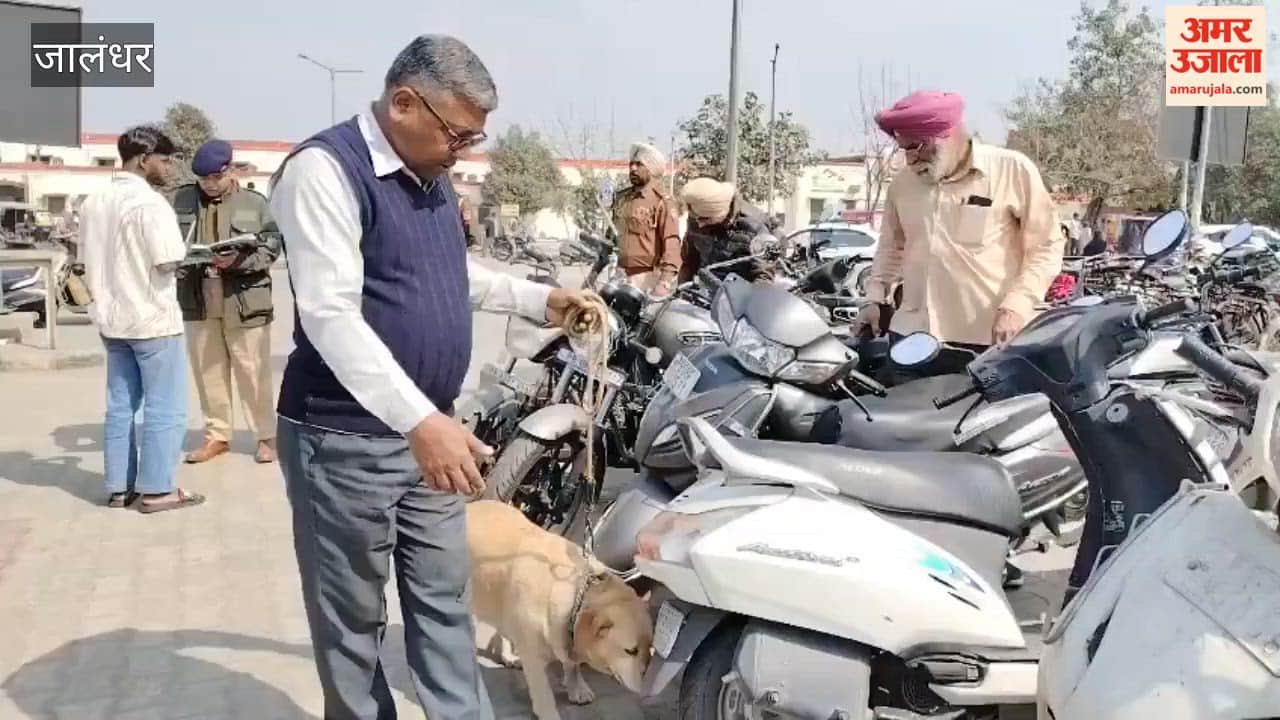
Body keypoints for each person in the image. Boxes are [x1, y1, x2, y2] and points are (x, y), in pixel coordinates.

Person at [268, 34, 595, 720]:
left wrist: (541, 300)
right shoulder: (325, 172)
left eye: (475, 137)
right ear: (404, 103)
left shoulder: (432, 177)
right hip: (345, 438)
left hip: (433, 436)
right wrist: (418, 422)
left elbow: (453, 275)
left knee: (445, 603)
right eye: (458, 133)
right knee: (351, 620)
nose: (465, 150)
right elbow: (330, 316)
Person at [855, 90, 1064, 383]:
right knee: (907, 425)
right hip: (911, 338)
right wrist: (873, 300)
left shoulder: (1011, 170)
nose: (911, 158)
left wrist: (1017, 306)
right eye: (904, 149)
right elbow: (891, 247)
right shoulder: (902, 185)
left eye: (916, 146)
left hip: (986, 341)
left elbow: (1046, 246)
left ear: (947, 135)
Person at [79, 125, 204, 513]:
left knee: (120, 406)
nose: (168, 169)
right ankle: (158, 490)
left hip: (111, 322)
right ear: (142, 159)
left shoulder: (92, 202)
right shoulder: (151, 205)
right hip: (152, 321)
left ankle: (119, 488)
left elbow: (85, 261)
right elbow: (168, 259)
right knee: (165, 406)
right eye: (164, 160)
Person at [173, 140, 282, 465]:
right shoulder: (181, 200)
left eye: (215, 177)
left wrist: (239, 262)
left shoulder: (254, 203)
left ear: (231, 170)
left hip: (244, 299)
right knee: (208, 371)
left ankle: (266, 436)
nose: (209, 184)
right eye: (203, 179)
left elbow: (272, 246)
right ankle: (217, 435)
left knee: (252, 371)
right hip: (198, 297)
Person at [611, 142, 680, 295]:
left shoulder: (663, 202)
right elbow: (612, 236)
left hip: (648, 277)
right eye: (631, 164)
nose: (633, 169)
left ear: (651, 168)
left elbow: (672, 242)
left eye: (639, 164)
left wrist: (665, 280)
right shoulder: (621, 199)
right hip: (620, 273)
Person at [676, 177, 774, 283]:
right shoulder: (697, 216)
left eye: (704, 218)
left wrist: (753, 297)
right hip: (706, 292)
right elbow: (689, 263)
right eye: (695, 217)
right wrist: (681, 292)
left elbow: (763, 275)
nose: (699, 224)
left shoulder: (754, 226)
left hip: (742, 294)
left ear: (720, 213)